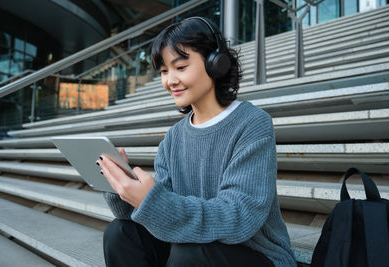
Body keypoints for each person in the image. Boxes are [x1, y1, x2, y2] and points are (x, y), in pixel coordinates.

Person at [96, 17, 296, 267]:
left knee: (189, 255)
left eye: (180, 67)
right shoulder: (174, 137)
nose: (170, 81)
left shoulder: (252, 123)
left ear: (216, 63)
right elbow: (152, 216)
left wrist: (155, 201)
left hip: (256, 255)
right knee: (120, 233)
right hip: (192, 249)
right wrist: (120, 185)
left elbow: (239, 217)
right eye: (164, 72)